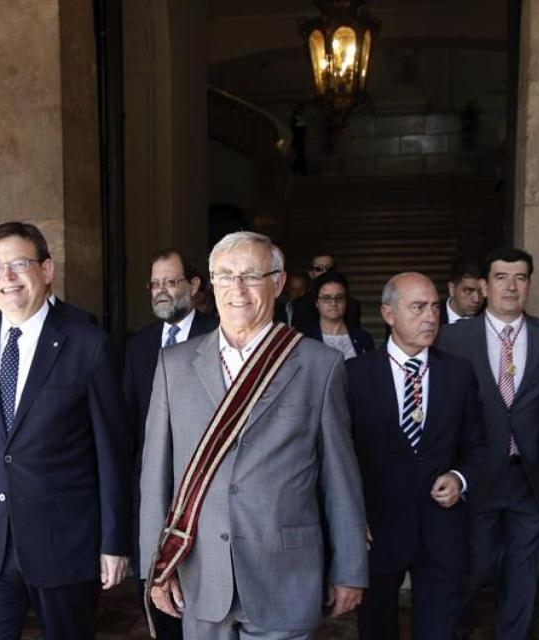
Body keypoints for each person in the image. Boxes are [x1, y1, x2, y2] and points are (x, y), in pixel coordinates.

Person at [140, 231, 368, 639]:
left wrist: (350, 567)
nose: (237, 289)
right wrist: (155, 565)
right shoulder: (173, 366)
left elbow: (340, 477)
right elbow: (155, 475)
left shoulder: (320, 365)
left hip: (285, 574)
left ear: (278, 283)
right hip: (201, 572)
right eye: (225, 276)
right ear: (210, 284)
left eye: (251, 275)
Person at [0, 222, 131, 639]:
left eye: (19, 264)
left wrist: (114, 541)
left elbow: (112, 453)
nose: (7, 278)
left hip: (64, 544)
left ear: (47, 270)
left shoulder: (87, 345)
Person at [437, 247, 539, 640]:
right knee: (475, 568)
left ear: (529, 285)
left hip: (529, 478)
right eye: (501, 277)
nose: (511, 286)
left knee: (524, 575)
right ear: (485, 286)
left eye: (520, 278)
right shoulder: (453, 339)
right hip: (476, 478)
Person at [347, 273, 486, 640]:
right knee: (376, 630)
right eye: (418, 307)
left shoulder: (458, 373)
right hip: (377, 531)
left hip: (441, 531)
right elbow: (339, 458)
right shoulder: (353, 375)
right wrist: (350, 517)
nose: (430, 317)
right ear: (388, 313)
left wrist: (459, 478)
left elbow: (477, 446)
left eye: (435, 307)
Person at [123, 249, 218, 640]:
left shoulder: (217, 335)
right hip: (153, 502)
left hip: (204, 501)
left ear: (194, 287)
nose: (161, 291)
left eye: (171, 282)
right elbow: (127, 427)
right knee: (161, 613)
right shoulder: (138, 346)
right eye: (155, 284)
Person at [303, 271, 374, 359]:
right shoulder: (305, 339)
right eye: (326, 298)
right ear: (316, 302)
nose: (333, 303)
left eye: (339, 297)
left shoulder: (363, 338)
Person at [291, 252, 362, 332]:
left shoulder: (352, 305)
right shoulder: (300, 306)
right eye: (319, 269)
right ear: (311, 274)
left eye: (329, 268)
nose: (325, 272)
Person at [441, 257, 483, 324]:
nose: (477, 299)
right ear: (452, 289)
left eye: (481, 291)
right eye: (468, 291)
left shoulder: (491, 319)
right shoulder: (434, 317)